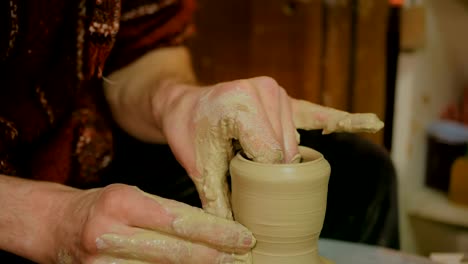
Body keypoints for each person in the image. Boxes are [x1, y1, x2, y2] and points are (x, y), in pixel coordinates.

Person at [0, 0, 384, 263]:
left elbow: (141, 49)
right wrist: (52, 221)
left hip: (74, 138)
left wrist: (175, 99)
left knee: (361, 175)